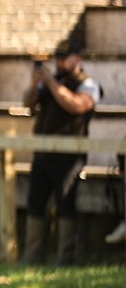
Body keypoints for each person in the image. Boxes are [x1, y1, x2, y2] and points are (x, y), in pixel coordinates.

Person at [22, 36, 101, 265]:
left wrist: (52, 84)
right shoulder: (51, 82)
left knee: (65, 205)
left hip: (69, 156)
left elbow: (77, 105)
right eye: (58, 58)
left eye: (65, 58)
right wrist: (34, 84)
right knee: (35, 203)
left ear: (78, 58)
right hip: (43, 153)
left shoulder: (88, 84)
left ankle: (65, 259)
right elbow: (28, 104)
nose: (59, 63)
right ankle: (32, 257)